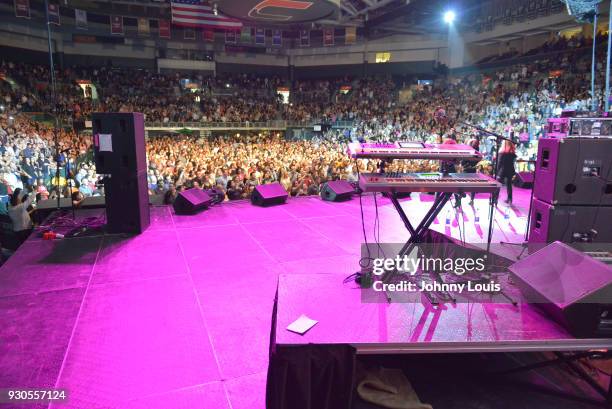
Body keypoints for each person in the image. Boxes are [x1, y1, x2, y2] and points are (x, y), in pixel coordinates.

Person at [461, 137, 480, 206]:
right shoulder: (477, 151)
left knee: (461, 185)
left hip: (466, 169)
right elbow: (478, 160)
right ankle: (472, 200)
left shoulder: (467, 150)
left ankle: (459, 200)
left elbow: (462, 162)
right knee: (473, 185)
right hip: (473, 170)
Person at [497, 139, 517, 204]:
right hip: (510, 170)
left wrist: (497, 171)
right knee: (509, 185)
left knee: (498, 185)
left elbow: (499, 163)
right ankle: (510, 199)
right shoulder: (512, 153)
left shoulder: (502, 153)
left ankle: (495, 199)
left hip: (502, 170)